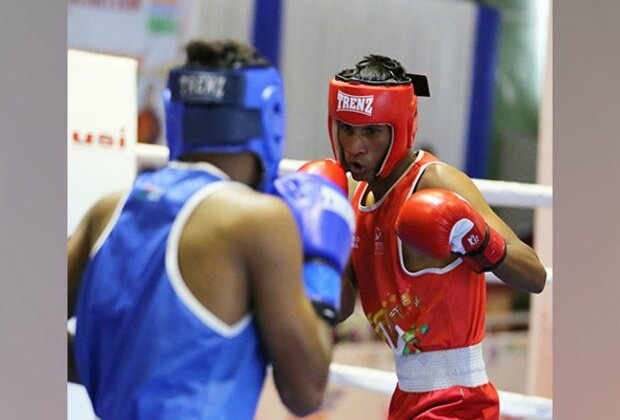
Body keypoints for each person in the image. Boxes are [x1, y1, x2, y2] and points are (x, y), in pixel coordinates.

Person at [67, 39, 355, 419]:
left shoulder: (108, 211)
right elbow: (305, 392)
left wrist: (121, 372)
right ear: (269, 118)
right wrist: (322, 264)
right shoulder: (258, 220)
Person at [327, 54, 547, 419]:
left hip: (460, 401)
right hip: (407, 396)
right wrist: (318, 247)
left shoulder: (434, 182)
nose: (354, 146)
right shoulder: (353, 197)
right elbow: (338, 309)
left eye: (370, 131)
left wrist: (479, 241)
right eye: (346, 128)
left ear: (400, 127)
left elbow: (535, 274)